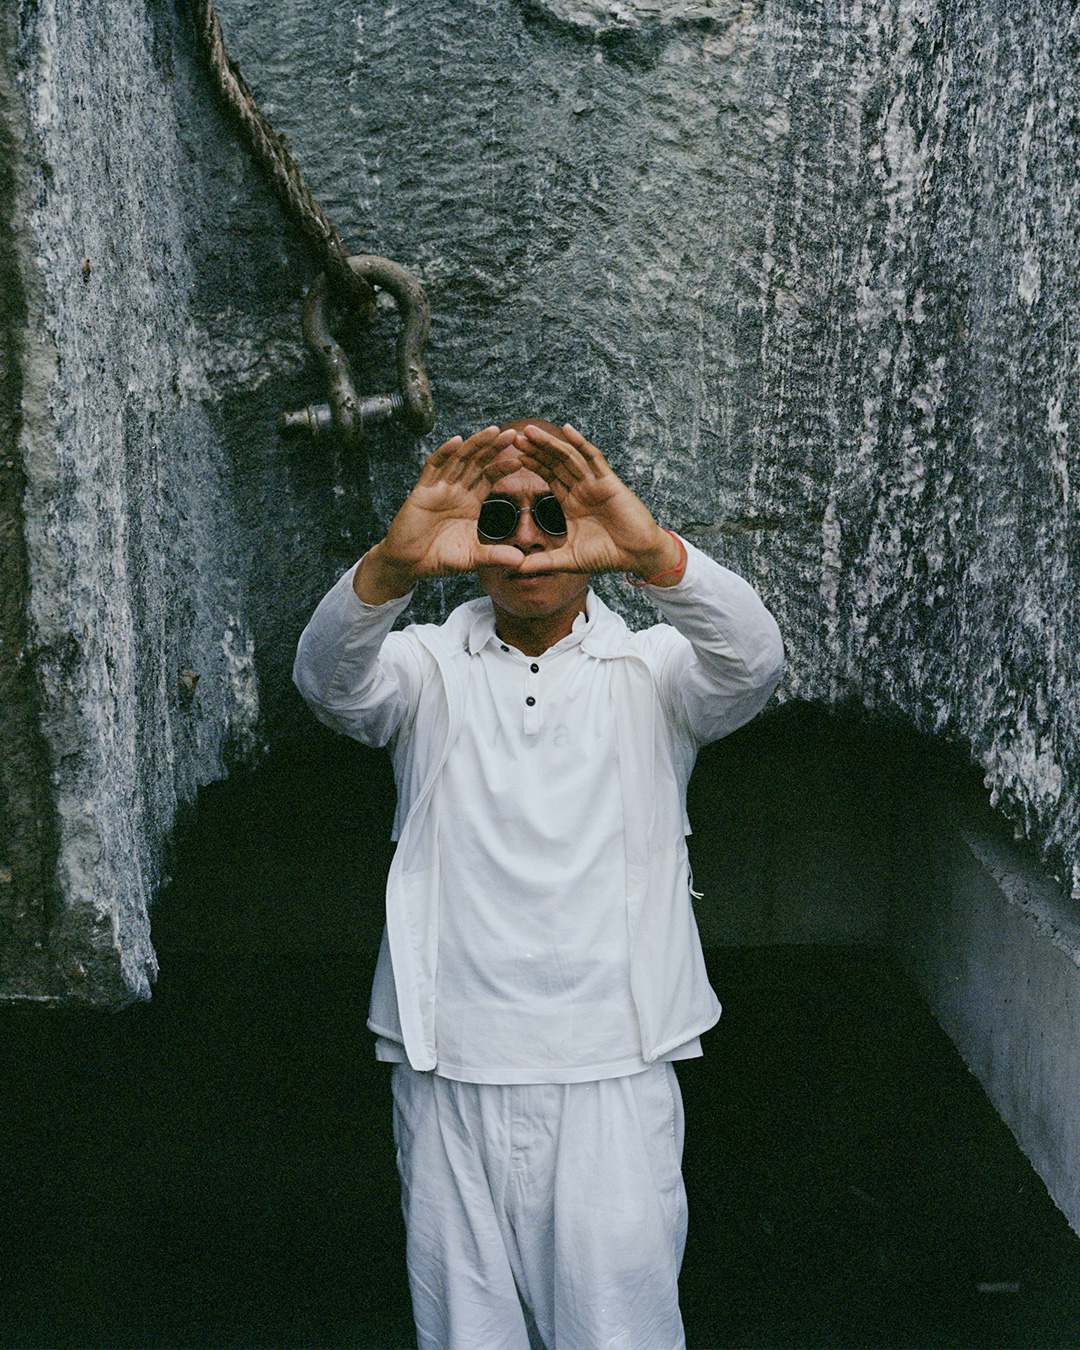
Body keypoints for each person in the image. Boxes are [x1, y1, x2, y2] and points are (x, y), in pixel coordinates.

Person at [293, 419, 784, 1350]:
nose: (526, 539)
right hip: (449, 1068)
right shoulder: (425, 667)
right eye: (501, 515)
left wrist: (652, 554)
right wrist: (389, 572)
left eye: (554, 514)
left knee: (621, 1335)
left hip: (612, 1065)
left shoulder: (654, 669)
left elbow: (753, 661)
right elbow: (327, 683)